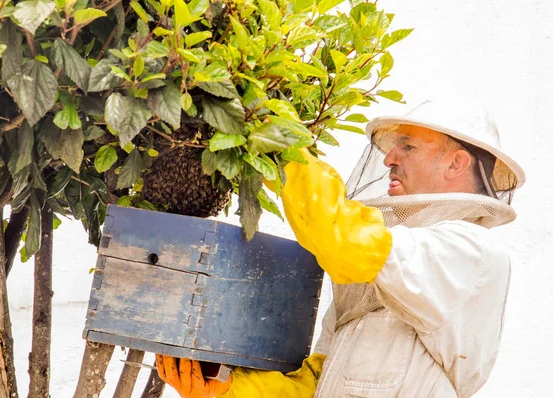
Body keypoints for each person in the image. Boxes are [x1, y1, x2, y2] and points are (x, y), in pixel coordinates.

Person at [156, 99, 525, 397]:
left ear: (455, 163)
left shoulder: (471, 251)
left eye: (408, 146)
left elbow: (346, 239)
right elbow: (318, 383)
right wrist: (228, 390)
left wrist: (284, 145)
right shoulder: (381, 273)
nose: (389, 159)